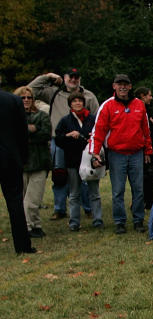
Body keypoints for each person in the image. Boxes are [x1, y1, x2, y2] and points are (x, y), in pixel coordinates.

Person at [27, 68, 99, 220]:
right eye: (70, 77)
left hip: (82, 143)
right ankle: (59, 209)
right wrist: (48, 77)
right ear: (64, 78)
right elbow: (30, 90)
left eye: (76, 77)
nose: (73, 80)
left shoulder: (89, 96)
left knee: (84, 174)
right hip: (58, 141)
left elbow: (97, 120)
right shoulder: (53, 93)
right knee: (59, 175)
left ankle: (88, 208)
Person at [89, 74, 152, 234]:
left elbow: (146, 130)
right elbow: (98, 131)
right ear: (114, 86)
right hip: (116, 154)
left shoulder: (139, 105)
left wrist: (148, 150)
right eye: (119, 84)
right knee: (118, 190)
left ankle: (138, 220)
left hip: (137, 153)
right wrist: (94, 152)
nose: (123, 87)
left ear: (130, 87)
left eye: (126, 84)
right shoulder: (107, 106)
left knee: (138, 189)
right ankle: (119, 221)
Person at [55, 92, 103, 231]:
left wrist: (92, 137)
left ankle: (98, 219)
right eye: (74, 101)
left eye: (80, 101)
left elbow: (101, 134)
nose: (77, 103)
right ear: (70, 104)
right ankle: (74, 222)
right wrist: (68, 135)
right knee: (74, 193)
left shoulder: (92, 119)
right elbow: (58, 139)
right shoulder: (65, 121)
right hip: (73, 161)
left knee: (94, 192)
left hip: (90, 161)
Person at [0, 85, 34, 254]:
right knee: (15, 202)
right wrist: (23, 157)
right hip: (10, 157)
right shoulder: (12, 100)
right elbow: (22, 132)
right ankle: (22, 246)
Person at [14, 87, 51, 238]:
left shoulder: (41, 116)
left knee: (32, 199)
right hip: (20, 164)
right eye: (23, 98)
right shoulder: (12, 117)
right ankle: (34, 226)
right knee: (23, 199)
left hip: (39, 163)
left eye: (29, 97)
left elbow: (46, 134)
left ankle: (29, 226)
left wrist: (28, 133)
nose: (26, 100)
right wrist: (30, 130)